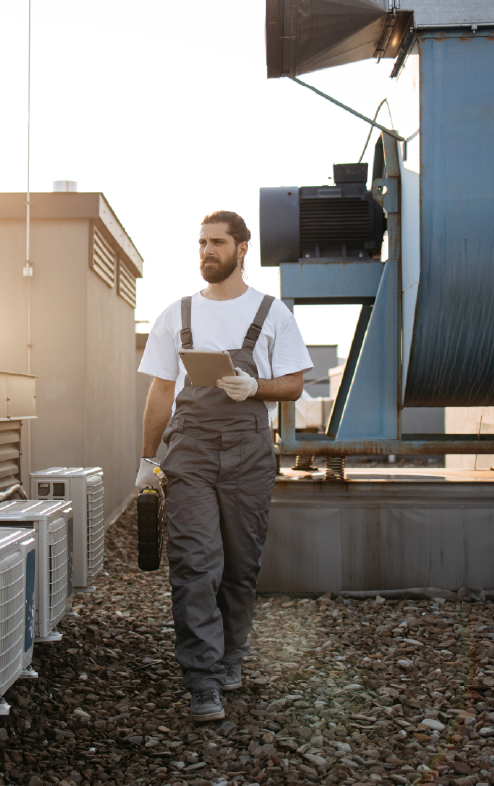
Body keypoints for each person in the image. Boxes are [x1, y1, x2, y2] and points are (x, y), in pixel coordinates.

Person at [136, 210, 311, 722]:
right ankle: (203, 680)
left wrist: (255, 386)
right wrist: (148, 460)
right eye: (201, 243)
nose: (207, 251)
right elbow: (161, 389)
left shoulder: (272, 312)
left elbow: (295, 385)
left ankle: (232, 656)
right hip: (189, 451)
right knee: (195, 565)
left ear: (241, 250)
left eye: (216, 242)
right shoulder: (178, 313)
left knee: (240, 566)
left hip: (249, 451)